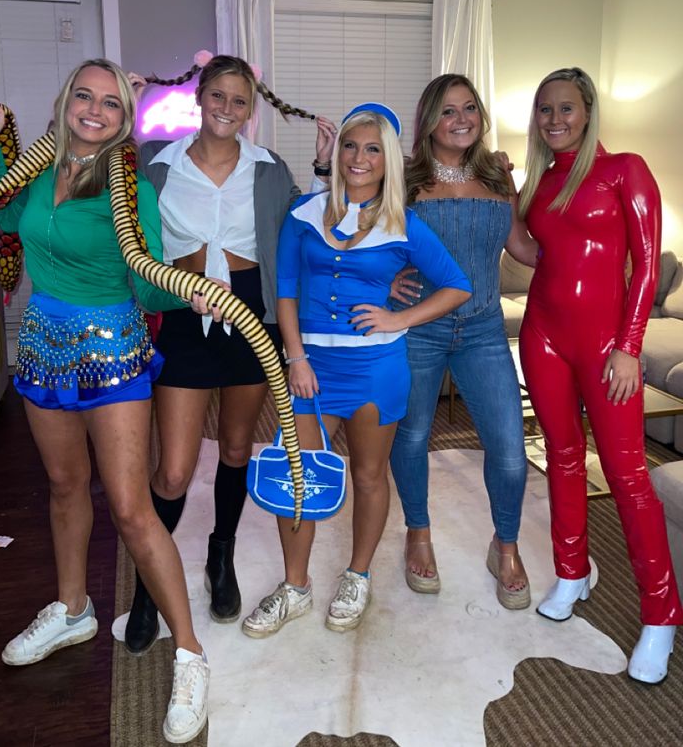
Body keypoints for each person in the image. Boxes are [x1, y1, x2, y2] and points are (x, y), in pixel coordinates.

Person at [0, 60, 209, 744]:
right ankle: (72, 608)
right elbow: (5, 208)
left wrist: (185, 288)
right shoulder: (37, 172)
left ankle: (190, 652)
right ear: (65, 100)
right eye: (85, 94)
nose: (95, 110)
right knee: (63, 483)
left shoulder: (128, 187)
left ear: (123, 119)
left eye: (111, 103)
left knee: (133, 509)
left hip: (112, 347)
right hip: (45, 344)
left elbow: (148, 274)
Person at [122, 54, 337, 652]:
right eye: (217, 96)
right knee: (172, 468)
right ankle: (148, 585)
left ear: (251, 109)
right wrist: (122, 105)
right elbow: (116, 205)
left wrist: (323, 166)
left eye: (239, 101)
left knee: (239, 447)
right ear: (199, 98)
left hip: (251, 314)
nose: (226, 108)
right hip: (182, 309)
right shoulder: (153, 163)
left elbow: (307, 223)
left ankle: (222, 555)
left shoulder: (269, 169)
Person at [241, 102, 472, 637]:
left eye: (372, 149)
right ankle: (294, 585)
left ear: (388, 160)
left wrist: (399, 315)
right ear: (337, 152)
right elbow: (286, 291)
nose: (359, 157)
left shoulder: (404, 224)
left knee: (370, 475)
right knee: (295, 473)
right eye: (351, 146)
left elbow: (459, 286)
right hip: (310, 368)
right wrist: (294, 357)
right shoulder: (304, 214)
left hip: (375, 367)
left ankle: (358, 574)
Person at [518, 66, 683, 683]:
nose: (554, 120)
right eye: (544, 110)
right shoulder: (537, 179)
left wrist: (630, 346)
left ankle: (662, 612)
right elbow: (530, 246)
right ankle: (571, 571)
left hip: (609, 344)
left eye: (565, 109)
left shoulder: (625, 170)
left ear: (587, 112)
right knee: (560, 454)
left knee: (627, 473)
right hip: (543, 335)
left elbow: (645, 265)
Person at [389, 74, 538, 607]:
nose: (461, 119)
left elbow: (520, 246)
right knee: (410, 438)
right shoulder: (402, 178)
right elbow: (364, 239)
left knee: (509, 447)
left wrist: (589, 254)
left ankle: (505, 545)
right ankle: (418, 534)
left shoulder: (498, 176)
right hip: (418, 328)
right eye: (448, 110)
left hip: (482, 331)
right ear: (429, 120)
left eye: (469, 108)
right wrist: (384, 280)